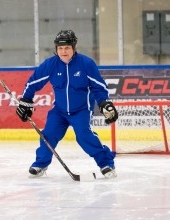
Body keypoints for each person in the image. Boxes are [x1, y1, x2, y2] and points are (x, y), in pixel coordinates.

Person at [16, 30, 119, 179]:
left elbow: (99, 87)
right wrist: (26, 101)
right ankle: (41, 164)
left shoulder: (86, 64)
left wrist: (105, 103)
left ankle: (106, 163)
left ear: (73, 48)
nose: (63, 51)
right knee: (48, 134)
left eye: (67, 48)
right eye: (60, 48)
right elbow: (32, 83)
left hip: (81, 110)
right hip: (60, 111)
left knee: (84, 136)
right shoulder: (51, 64)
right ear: (56, 49)